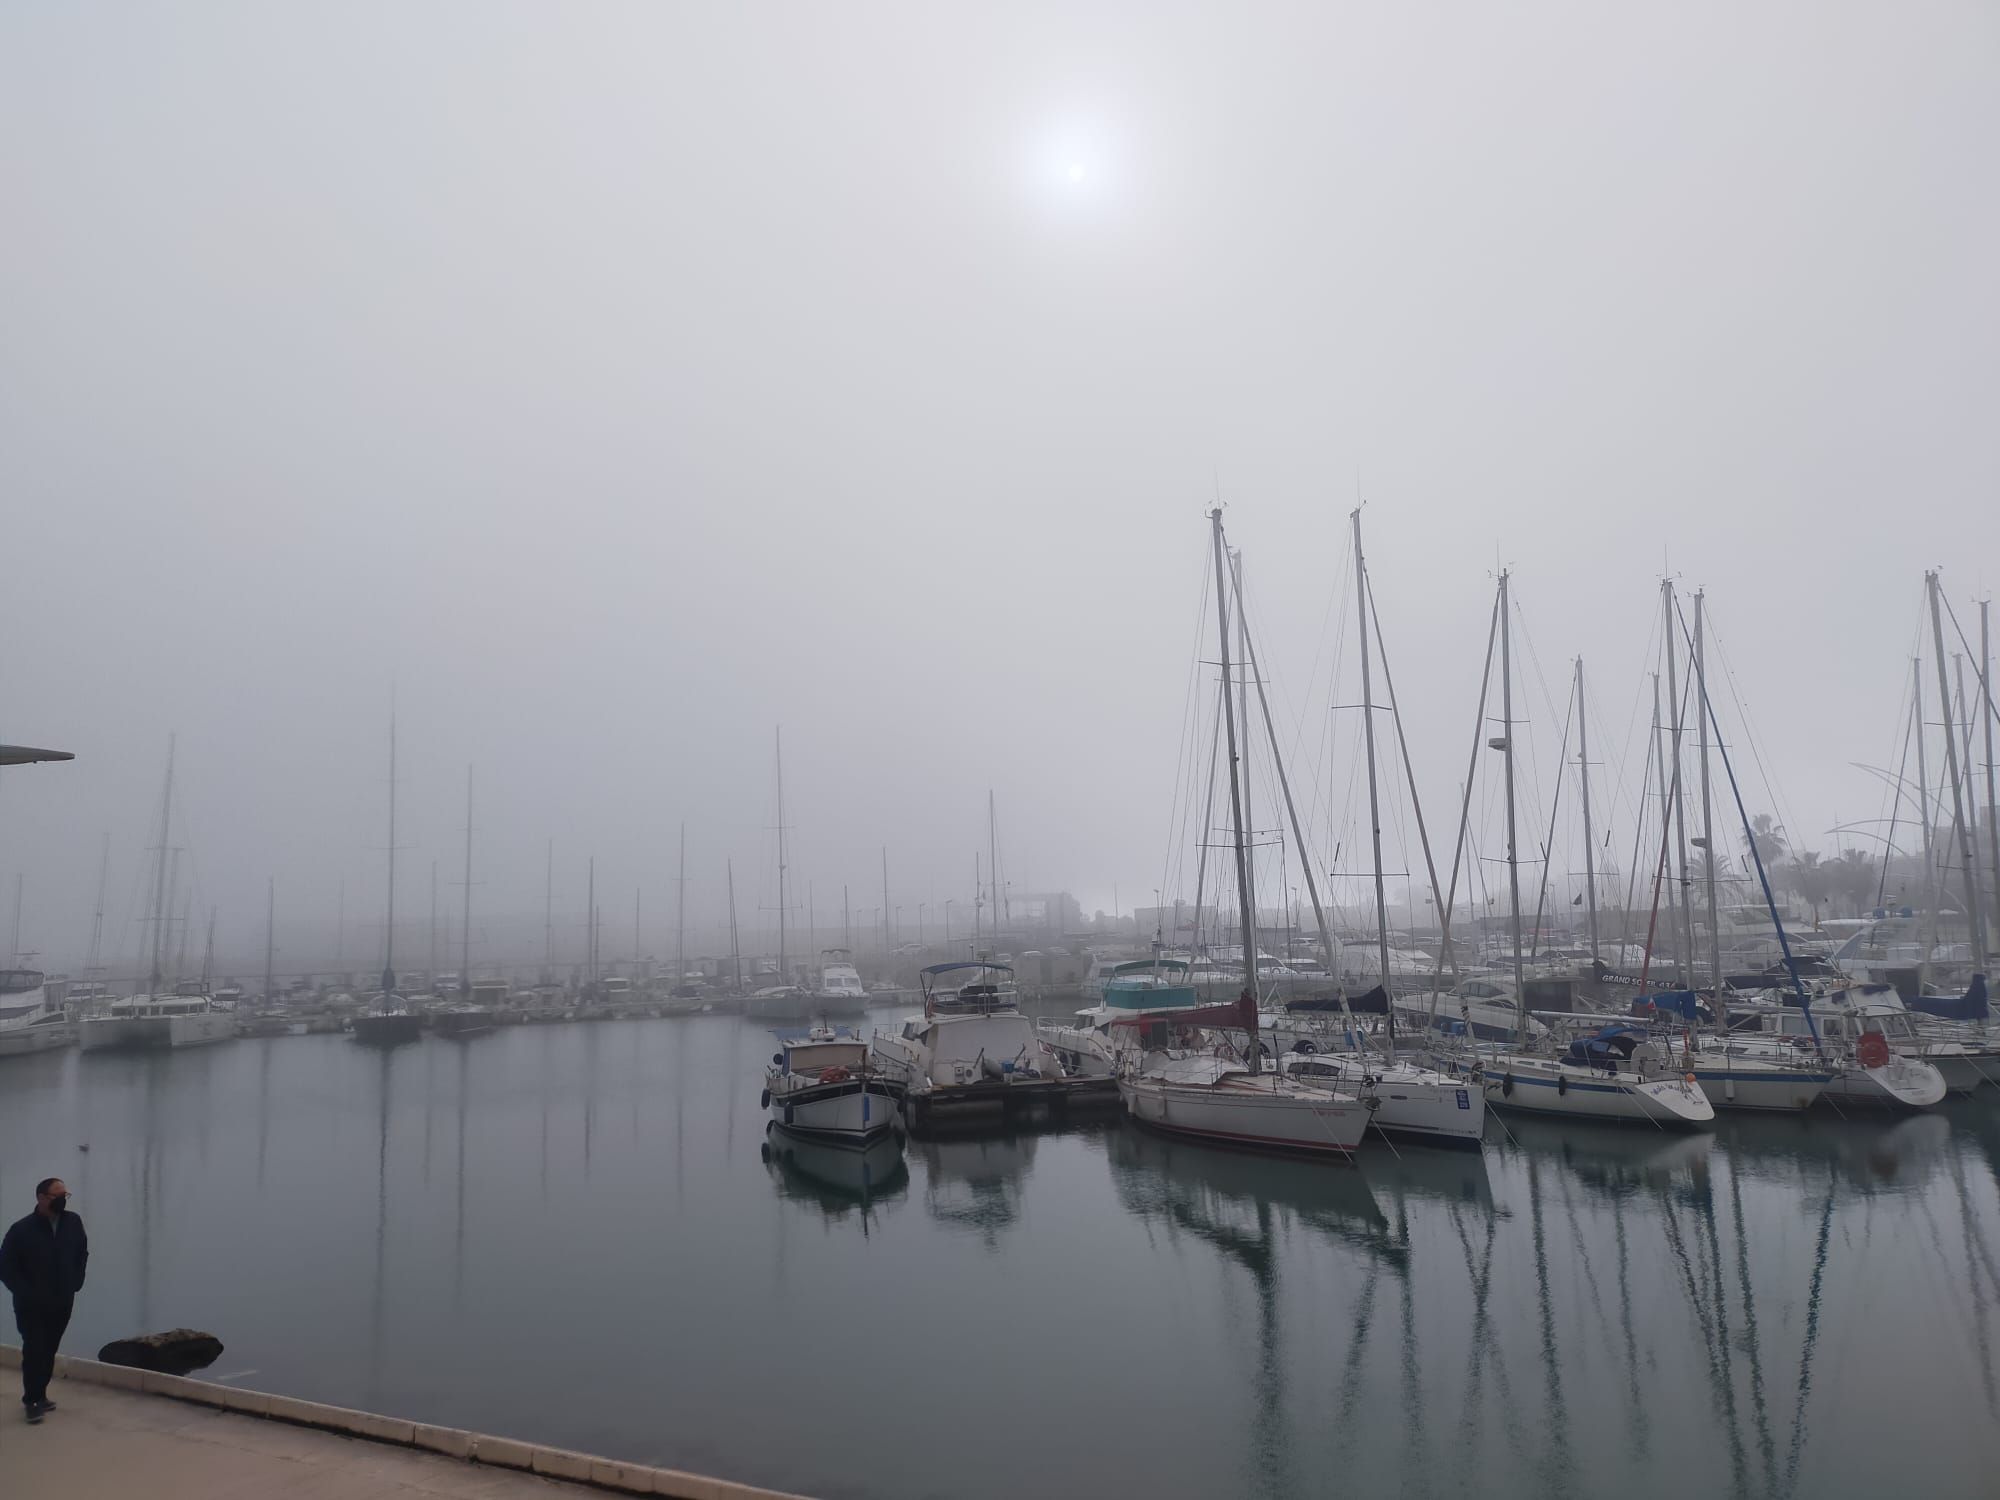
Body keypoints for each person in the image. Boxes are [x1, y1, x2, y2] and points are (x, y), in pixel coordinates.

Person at [0, 1178, 89, 1424]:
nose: (62, 1199)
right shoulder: (21, 1230)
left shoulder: (73, 1222)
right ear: (41, 1197)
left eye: (65, 1195)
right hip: (31, 1306)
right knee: (34, 1350)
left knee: (49, 1348)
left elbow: (82, 1252)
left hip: (62, 1300)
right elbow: (6, 1267)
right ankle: (32, 1401)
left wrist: (77, 1281)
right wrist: (25, 1292)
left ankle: (41, 1394)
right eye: (56, 1195)